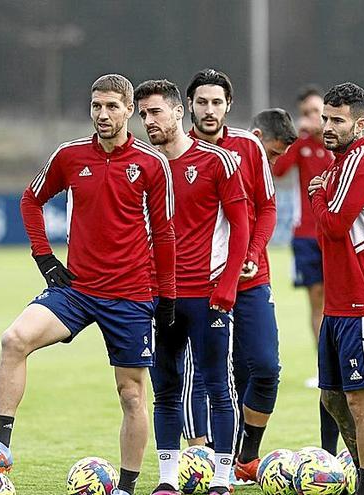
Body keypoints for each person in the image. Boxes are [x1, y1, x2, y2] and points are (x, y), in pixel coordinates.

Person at [0, 76, 177, 495]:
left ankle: (127, 487)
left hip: (130, 296)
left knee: (131, 394)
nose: (102, 114)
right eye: (96, 106)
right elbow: (31, 199)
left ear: (129, 109)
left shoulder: (152, 165)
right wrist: (43, 257)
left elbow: (166, 235)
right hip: (77, 290)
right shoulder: (70, 155)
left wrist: (165, 297)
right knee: (13, 340)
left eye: (112, 106)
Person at [135, 78, 249, 495]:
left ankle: (221, 478)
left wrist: (229, 284)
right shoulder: (144, 165)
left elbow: (242, 226)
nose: (148, 121)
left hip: (208, 294)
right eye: (142, 114)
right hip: (160, 297)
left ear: (178, 111)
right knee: (165, 389)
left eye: (155, 112)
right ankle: (166, 480)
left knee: (218, 385)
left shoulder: (218, 161)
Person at [182, 69, 282, 482]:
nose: (209, 110)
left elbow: (268, 208)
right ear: (189, 105)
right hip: (196, 282)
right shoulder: (175, 151)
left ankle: (247, 452)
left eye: (216, 102)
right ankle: (200, 459)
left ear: (229, 106)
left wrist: (253, 253)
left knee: (264, 365)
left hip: (250, 278)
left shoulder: (249, 147)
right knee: (203, 372)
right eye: (202, 102)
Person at [309, 82, 364, 495]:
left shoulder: (362, 163)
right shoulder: (338, 165)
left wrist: (318, 195)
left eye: (337, 120)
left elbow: (332, 225)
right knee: (332, 397)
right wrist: (322, 190)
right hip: (341, 303)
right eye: (325, 118)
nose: (327, 126)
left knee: (363, 401)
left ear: (360, 125)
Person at [272, 85, 340, 454]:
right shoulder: (301, 145)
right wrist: (298, 139)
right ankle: (322, 365)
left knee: (336, 302)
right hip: (305, 234)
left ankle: (335, 364)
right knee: (317, 303)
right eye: (308, 113)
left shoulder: (335, 145)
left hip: (334, 231)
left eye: (318, 112)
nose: (313, 119)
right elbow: (279, 169)